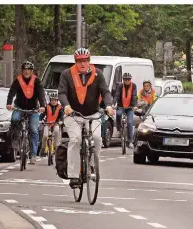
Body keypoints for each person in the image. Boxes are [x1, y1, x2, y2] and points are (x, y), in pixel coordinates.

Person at [58, 47, 114, 188]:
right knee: (75, 139)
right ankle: (73, 176)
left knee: (96, 138)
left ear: (89, 61)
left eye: (85, 60)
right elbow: (62, 93)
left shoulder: (97, 74)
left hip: (93, 114)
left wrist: (108, 106)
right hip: (73, 114)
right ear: (75, 62)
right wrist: (66, 106)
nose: (83, 64)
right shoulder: (66, 74)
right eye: (79, 61)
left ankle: (92, 166)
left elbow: (105, 91)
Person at [6, 61, 46, 164]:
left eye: (29, 70)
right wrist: (9, 103)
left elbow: (41, 94)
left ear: (32, 71)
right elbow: (12, 92)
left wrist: (42, 106)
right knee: (15, 119)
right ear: (22, 71)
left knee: (33, 130)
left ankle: (33, 154)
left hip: (33, 109)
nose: (27, 72)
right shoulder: (17, 81)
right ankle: (15, 139)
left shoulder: (37, 81)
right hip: (20, 107)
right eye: (25, 70)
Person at [113, 73, 138, 149]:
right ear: (123, 80)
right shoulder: (120, 86)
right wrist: (113, 104)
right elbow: (116, 95)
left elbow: (134, 96)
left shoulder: (133, 86)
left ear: (130, 80)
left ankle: (130, 141)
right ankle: (118, 129)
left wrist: (134, 106)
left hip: (130, 107)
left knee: (130, 122)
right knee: (118, 114)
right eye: (125, 79)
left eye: (129, 79)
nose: (127, 81)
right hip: (121, 106)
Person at [39, 92, 63, 157]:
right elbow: (42, 115)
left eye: (55, 100)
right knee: (45, 135)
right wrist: (39, 120)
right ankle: (43, 149)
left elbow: (62, 116)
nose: (53, 101)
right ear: (50, 100)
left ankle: (57, 148)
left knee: (57, 132)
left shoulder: (60, 108)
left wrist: (61, 121)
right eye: (52, 100)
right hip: (47, 123)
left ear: (57, 101)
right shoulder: (47, 107)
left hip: (56, 124)